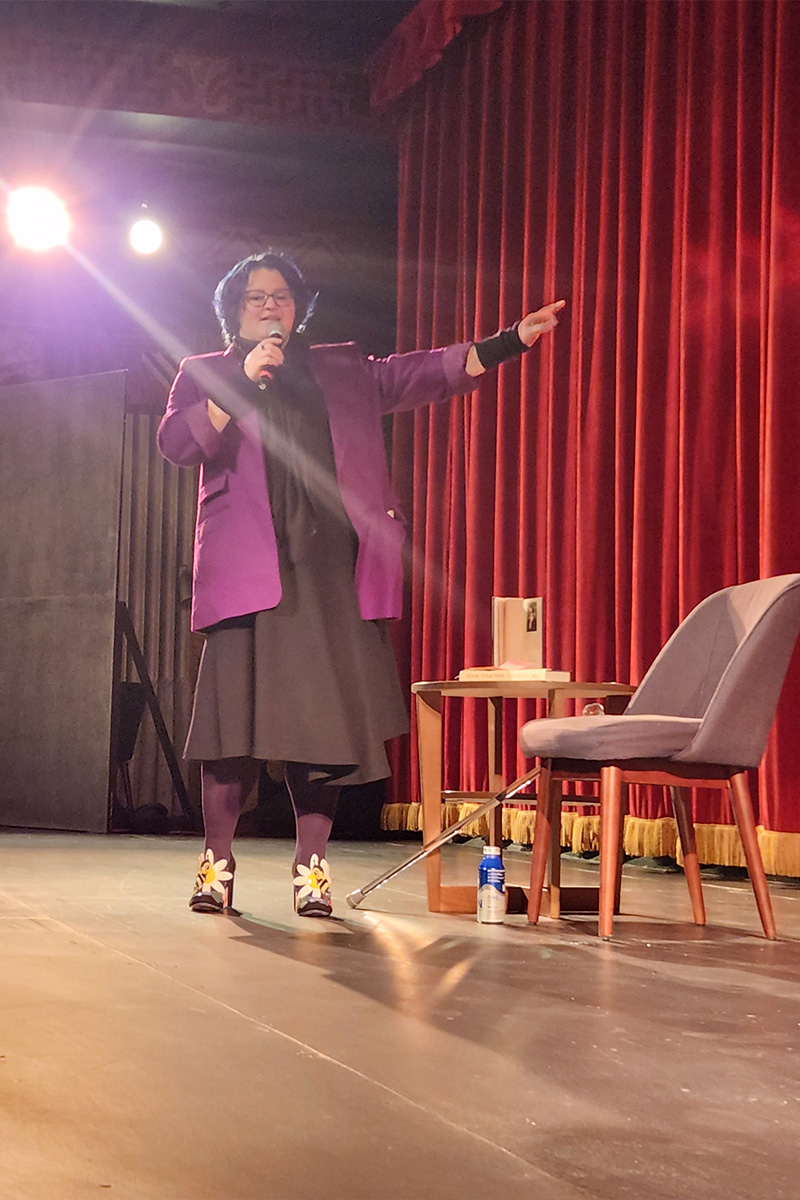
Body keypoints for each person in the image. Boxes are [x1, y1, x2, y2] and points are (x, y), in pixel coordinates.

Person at [158, 250, 564, 917]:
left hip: (330, 573)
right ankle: (216, 865)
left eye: (282, 296)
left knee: (324, 730)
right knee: (231, 731)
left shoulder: (342, 368)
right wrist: (239, 385)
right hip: (246, 573)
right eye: (256, 297)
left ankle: (311, 868)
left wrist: (508, 342)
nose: (271, 307)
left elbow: (424, 373)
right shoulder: (204, 372)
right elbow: (178, 444)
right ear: (233, 311)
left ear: (299, 308)